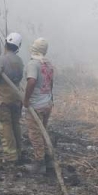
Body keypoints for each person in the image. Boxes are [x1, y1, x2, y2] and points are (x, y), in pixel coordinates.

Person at [0, 32, 25, 163]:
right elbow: (17, 78)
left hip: (2, 101)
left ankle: (11, 157)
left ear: (6, 44)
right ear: (17, 47)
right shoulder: (20, 61)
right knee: (15, 125)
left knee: (5, 126)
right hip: (16, 99)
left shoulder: (1, 59)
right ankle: (18, 152)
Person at [23, 37, 55, 176]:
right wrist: (50, 99)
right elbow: (51, 83)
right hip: (47, 104)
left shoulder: (33, 64)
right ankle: (49, 161)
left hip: (36, 105)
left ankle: (39, 163)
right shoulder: (48, 64)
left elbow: (31, 81)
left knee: (35, 135)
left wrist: (26, 99)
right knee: (43, 132)